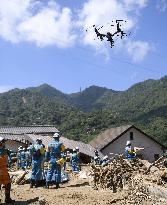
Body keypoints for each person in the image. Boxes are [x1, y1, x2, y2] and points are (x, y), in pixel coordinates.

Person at [0, 137, 15, 203]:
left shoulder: (5, 150)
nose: (4, 143)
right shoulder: (5, 150)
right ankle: (7, 199)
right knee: (8, 183)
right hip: (2, 170)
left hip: (2, 169)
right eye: (3, 142)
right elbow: (12, 153)